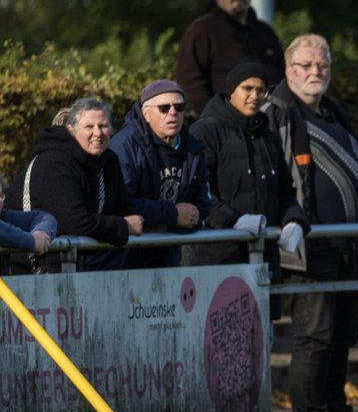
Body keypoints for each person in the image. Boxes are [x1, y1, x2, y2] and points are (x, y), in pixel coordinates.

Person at [263, 34, 358, 412]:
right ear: (288, 70)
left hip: (348, 244)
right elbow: (276, 178)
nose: (315, 72)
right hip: (309, 247)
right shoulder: (276, 112)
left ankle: (337, 411)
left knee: (344, 333)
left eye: (322, 66)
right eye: (306, 66)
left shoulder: (332, 111)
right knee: (315, 333)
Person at [187, 61, 308, 287]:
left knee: (263, 322)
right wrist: (233, 221)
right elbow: (197, 191)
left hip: (262, 259)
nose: (255, 95)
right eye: (247, 88)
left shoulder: (268, 136)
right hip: (217, 260)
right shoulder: (207, 130)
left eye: (261, 90)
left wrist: (294, 220)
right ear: (232, 91)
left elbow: (285, 189)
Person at [21, 97, 143, 273]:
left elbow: (124, 209)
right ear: (71, 131)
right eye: (89, 127)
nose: (98, 133)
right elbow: (75, 221)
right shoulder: (54, 162)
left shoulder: (108, 160)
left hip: (85, 266)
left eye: (103, 126)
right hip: (35, 270)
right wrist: (123, 227)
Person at [108, 79, 212, 269]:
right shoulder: (124, 146)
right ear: (146, 114)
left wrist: (171, 223)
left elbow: (202, 206)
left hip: (169, 255)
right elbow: (122, 204)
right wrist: (171, 215)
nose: (173, 113)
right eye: (164, 108)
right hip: (127, 258)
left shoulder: (193, 148)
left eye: (179, 107)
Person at [176, 0, 286, 116]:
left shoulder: (266, 33)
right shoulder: (202, 31)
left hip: (271, 125)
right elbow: (190, 82)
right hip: (225, 127)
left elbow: (282, 76)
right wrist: (215, 121)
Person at [0, 174, 56, 275]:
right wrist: (32, 242)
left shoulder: (4, 217)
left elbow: (43, 217)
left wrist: (40, 232)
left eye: (0, 196)